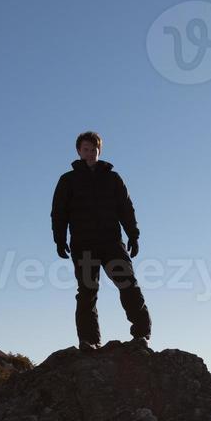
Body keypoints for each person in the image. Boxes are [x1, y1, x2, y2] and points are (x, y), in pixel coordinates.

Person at [50, 131, 152, 350]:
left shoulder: (113, 178)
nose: (90, 153)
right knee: (87, 291)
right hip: (83, 244)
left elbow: (126, 208)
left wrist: (133, 235)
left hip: (111, 243)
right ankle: (89, 341)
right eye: (85, 149)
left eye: (94, 150)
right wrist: (59, 239)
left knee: (128, 285)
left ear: (99, 151)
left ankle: (141, 334)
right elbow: (59, 212)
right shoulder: (68, 180)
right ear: (78, 151)